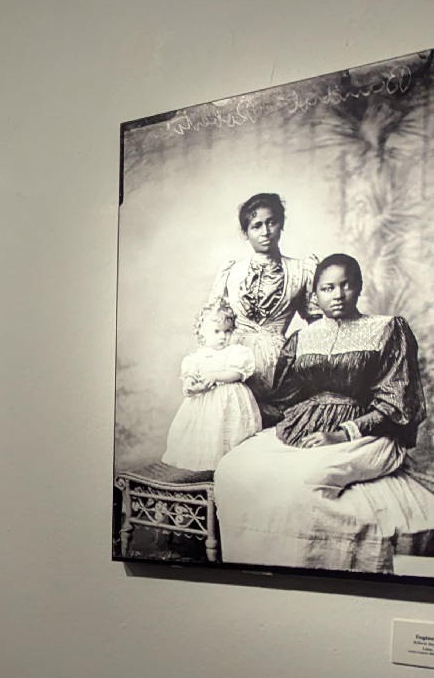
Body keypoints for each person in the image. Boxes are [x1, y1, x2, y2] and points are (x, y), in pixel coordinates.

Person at [214, 253, 434, 571]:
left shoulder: (387, 329)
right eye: (328, 288)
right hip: (302, 426)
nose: (338, 294)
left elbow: (396, 402)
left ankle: (310, 569)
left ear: (359, 287)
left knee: (302, 484)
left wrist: (341, 434)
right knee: (234, 468)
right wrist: (227, 399)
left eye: (346, 285)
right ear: (315, 295)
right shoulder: (302, 338)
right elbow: (285, 401)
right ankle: (259, 571)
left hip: (367, 432)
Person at [201, 191, 319, 394]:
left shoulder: (301, 270)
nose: (265, 232)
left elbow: (316, 324)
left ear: (281, 224)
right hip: (232, 363)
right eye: (256, 226)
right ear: (246, 233)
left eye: (271, 222)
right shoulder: (231, 272)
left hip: (279, 365)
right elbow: (214, 322)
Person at [161, 301, 260, 471]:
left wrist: (216, 377)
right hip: (205, 403)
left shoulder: (235, 352)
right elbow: (191, 374)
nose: (223, 336)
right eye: (216, 331)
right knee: (207, 431)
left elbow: (237, 373)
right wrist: (189, 384)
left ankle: (230, 466)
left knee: (231, 431)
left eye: (227, 331)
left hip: (231, 399)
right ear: (202, 333)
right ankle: (206, 466)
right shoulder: (197, 357)